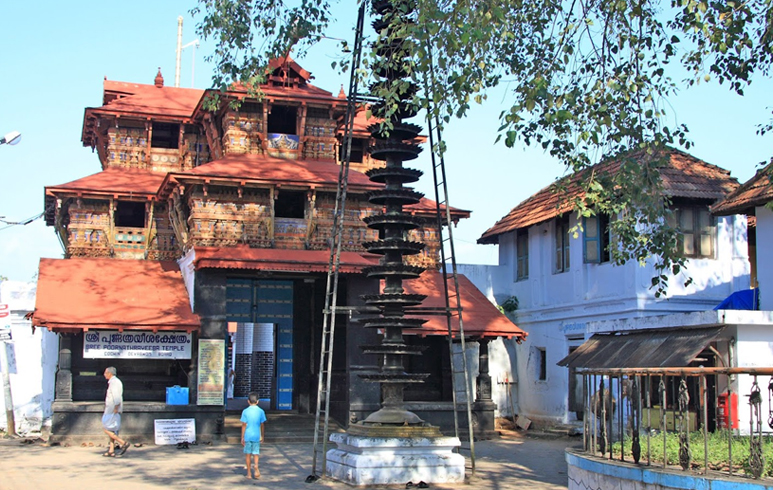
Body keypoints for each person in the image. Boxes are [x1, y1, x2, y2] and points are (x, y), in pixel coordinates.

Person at [102, 366, 129, 457]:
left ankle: (123, 442)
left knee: (105, 428)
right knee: (112, 429)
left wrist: (116, 406)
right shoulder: (115, 382)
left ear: (110, 373)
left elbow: (116, 396)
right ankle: (111, 450)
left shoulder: (114, 383)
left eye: (106, 373)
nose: (104, 374)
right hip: (112, 408)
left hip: (112, 409)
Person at [240, 392, 267, 479]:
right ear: (258, 401)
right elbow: (262, 424)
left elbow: (244, 424)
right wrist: (262, 435)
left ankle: (249, 473)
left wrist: (242, 437)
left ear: (248, 401)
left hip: (248, 435)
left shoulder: (245, 411)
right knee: (256, 453)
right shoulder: (261, 411)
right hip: (256, 435)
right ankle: (256, 465)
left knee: (248, 454)